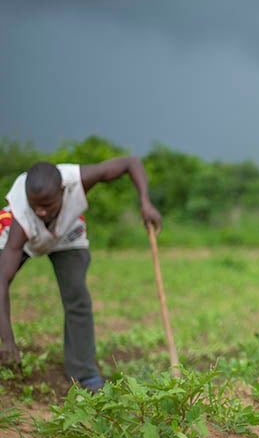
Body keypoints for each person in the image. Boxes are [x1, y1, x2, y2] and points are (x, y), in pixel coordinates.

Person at [0, 157, 163, 392]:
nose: (41, 211)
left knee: (77, 297)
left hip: (67, 233)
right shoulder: (21, 216)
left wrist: (145, 202)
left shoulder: (78, 180)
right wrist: (7, 340)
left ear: (62, 191)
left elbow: (131, 163)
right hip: (23, 236)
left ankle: (83, 373)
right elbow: (2, 283)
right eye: (36, 205)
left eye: (47, 204)